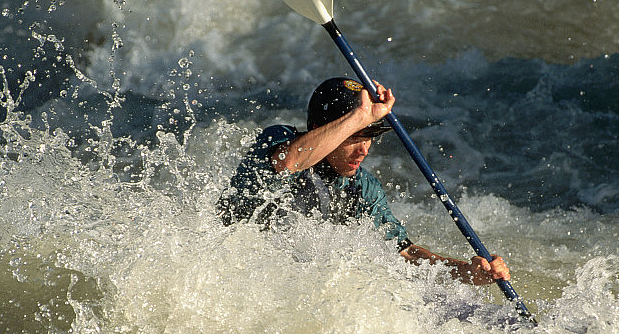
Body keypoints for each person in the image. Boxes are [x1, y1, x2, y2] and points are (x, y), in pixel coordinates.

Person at [217, 77, 510, 286]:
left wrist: (466, 273)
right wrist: (359, 116)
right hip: (226, 271)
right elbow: (290, 163)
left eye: (369, 138)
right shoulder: (278, 139)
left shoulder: (362, 187)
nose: (364, 150)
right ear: (323, 128)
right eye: (354, 138)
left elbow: (404, 254)